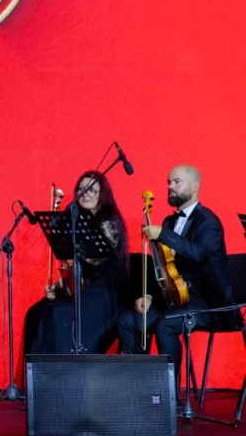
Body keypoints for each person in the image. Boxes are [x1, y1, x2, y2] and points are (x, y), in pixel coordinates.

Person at [117, 165, 236, 386]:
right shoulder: (169, 222)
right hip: (174, 300)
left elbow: (198, 254)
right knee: (128, 321)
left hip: (206, 303)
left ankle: (169, 393)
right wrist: (149, 296)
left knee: (166, 324)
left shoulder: (209, 222)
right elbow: (164, 269)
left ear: (195, 186)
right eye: (169, 182)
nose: (170, 186)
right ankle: (139, 385)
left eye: (177, 182)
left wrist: (164, 235)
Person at [22, 171, 130, 356]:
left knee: (57, 313)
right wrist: (59, 286)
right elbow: (78, 267)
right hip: (84, 288)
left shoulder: (109, 221)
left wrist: (73, 246)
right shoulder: (77, 220)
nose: (85, 194)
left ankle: (59, 369)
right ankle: (36, 371)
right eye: (81, 189)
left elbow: (95, 259)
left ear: (103, 194)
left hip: (105, 292)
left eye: (92, 190)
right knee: (37, 311)